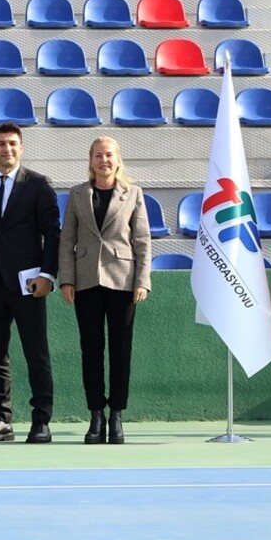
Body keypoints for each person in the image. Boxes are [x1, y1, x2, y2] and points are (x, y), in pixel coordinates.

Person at [0, 123, 61, 444]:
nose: (7, 149)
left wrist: (47, 275)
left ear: (21, 148)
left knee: (37, 354)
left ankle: (41, 421)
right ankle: (2, 420)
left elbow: (53, 232)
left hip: (28, 285)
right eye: (1, 144)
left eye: (12, 144)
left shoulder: (38, 184)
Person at [59, 136, 152, 445]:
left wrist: (142, 280)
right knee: (91, 350)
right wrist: (67, 279)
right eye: (98, 155)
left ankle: (117, 415)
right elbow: (66, 240)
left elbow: (142, 241)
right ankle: (96, 414)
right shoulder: (77, 194)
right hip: (86, 281)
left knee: (121, 350)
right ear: (90, 160)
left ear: (118, 158)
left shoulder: (133, 193)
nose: (104, 160)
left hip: (123, 281)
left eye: (109, 155)